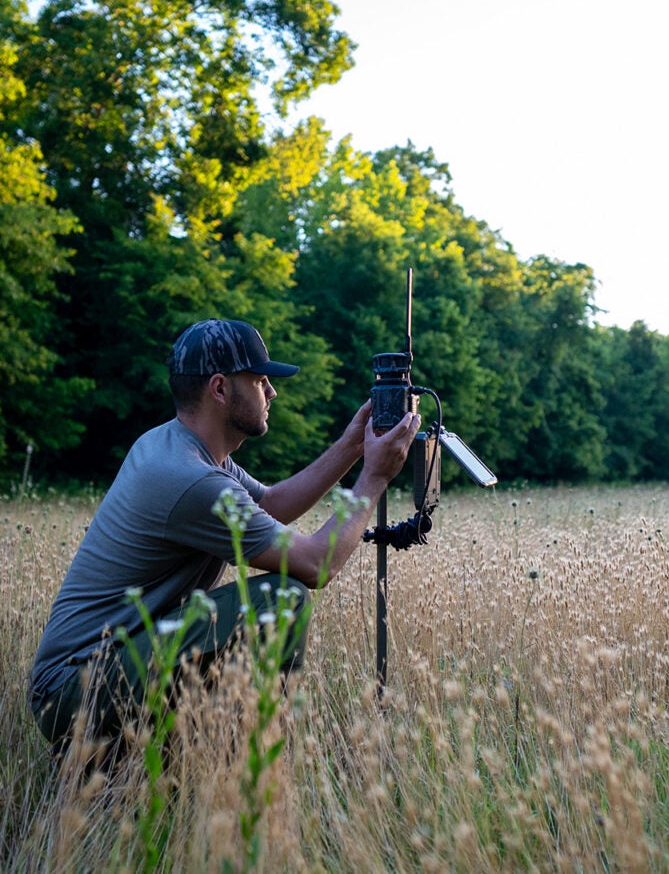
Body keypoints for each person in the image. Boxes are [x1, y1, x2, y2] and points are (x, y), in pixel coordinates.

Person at [28, 318, 420, 747]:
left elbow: (270, 504)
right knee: (282, 599)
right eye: (260, 381)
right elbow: (313, 565)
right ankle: (241, 764)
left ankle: (172, 759)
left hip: (94, 671)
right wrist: (373, 479)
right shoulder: (189, 477)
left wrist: (352, 444)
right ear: (219, 389)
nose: (272, 392)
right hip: (74, 690)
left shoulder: (181, 447)